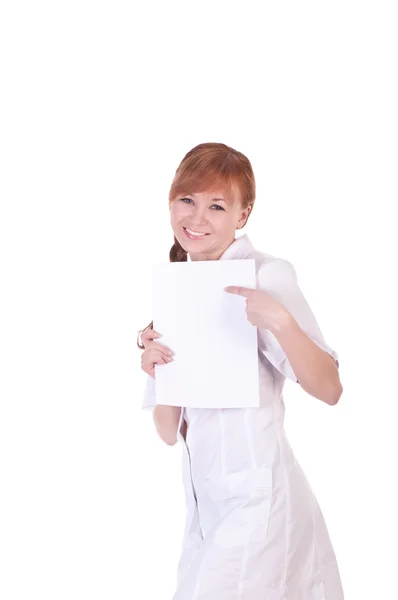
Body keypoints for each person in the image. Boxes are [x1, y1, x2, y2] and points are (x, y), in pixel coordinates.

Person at [138, 142, 344, 599]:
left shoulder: (267, 275)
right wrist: (157, 372)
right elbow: (169, 432)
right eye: (187, 200)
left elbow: (330, 388)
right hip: (205, 508)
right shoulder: (178, 289)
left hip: (257, 499)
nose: (197, 218)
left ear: (243, 214)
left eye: (217, 205)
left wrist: (280, 320)